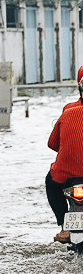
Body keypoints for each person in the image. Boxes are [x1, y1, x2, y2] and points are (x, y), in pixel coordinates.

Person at [46, 67, 83, 243]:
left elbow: (52, 144)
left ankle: (64, 225)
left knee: (51, 183)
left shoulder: (68, 110)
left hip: (66, 175)